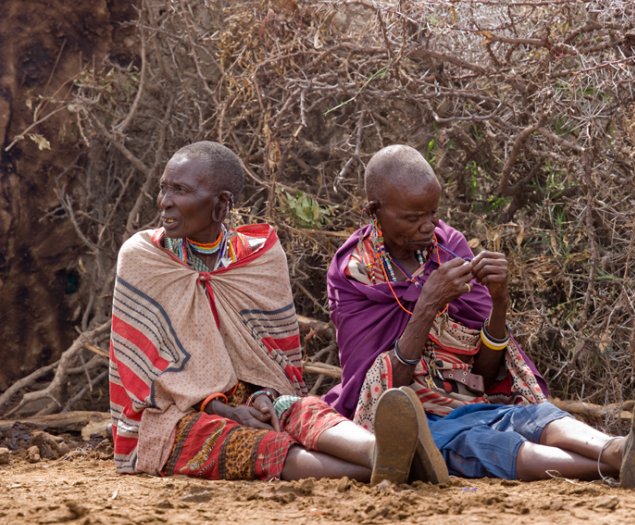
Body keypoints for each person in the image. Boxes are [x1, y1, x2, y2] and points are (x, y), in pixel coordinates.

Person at [324, 144, 635, 488]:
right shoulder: (355, 274)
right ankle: (629, 460)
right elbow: (380, 394)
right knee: (490, 446)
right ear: (374, 212)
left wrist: (499, 302)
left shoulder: (449, 247)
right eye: (413, 217)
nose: (429, 226)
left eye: (434, 213)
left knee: (538, 418)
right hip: (419, 422)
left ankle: (618, 447)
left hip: (474, 403)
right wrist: (426, 307)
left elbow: (485, 374)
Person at [108, 141, 447, 485]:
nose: (165, 201)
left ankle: (379, 449)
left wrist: (265, 396)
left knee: (300, 409)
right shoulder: (144, 258)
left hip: (254, 398)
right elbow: (145, 372)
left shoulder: (260, 258)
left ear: (222, 204)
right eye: (164, 188)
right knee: (249, 443)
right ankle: (390, 462)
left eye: (179, 190)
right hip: (175, 414)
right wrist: (221, 407)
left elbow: (272, 359)